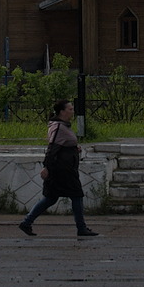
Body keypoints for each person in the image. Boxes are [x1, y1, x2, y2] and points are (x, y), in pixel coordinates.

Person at [18, 99, 96, 238]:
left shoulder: (64, 126)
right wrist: (46, 166)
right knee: (76, 195)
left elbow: (63, 145)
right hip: (62, 169)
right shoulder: (58, 127)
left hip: (66, 167)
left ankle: (27, 222)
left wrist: (73, 149)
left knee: (51, 198)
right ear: (62, 111)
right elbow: (52, 147)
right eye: (70, 109)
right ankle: (81, 228)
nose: (72, 111)